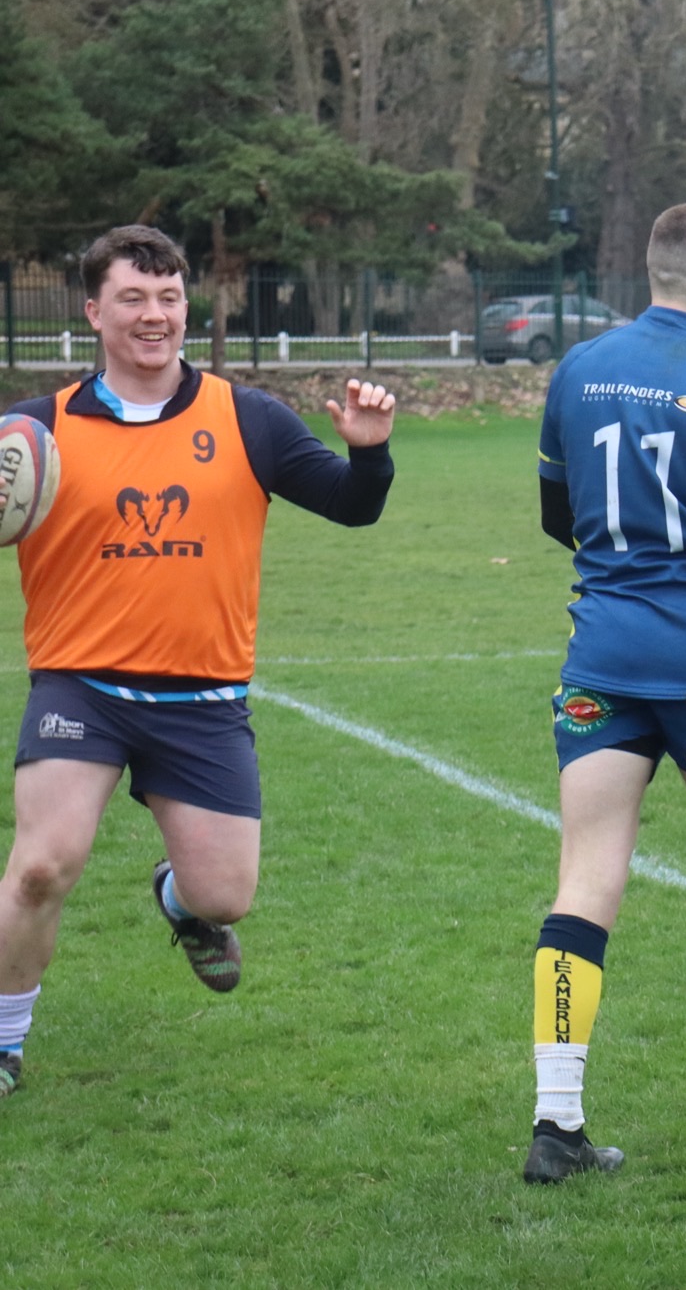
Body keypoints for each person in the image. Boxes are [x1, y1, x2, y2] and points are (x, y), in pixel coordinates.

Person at [0, 225, 396, 1099]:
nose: (155, 315)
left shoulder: (246, 417)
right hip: (83, 686)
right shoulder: (36, 431)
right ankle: (4, 1042)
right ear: (94, 310)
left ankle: (181, 903)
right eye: (134, 298)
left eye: (170, 297)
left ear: (189, 306)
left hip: (204, 698)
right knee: (41, 863)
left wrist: (368, 452)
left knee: (225, 896)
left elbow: (350, 505)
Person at [523, 202, 686, 1183]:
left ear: (651, 273)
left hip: (600, 660)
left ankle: (555, 1119)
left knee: (586, 877)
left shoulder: (577, 366)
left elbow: (555, 514)